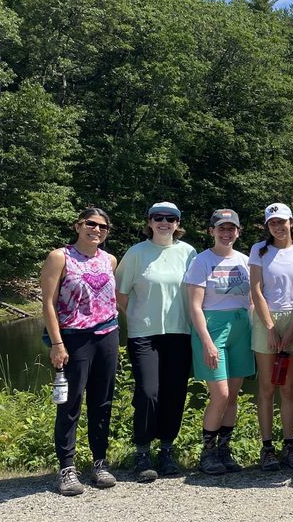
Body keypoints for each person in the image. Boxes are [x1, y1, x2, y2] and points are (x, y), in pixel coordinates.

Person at [40, 207, 120, 496]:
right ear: (78, 226)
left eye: (102, 227)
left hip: (107, 335)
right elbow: (48, 303)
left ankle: (100, 463)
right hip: (74, 338)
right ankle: (67, 468)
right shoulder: (59, 257)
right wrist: (57, 343)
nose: (96, 230)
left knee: (102, 402)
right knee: (70, 403)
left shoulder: (109, 260)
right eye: (90, 223)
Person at [115, 202, 197, 482]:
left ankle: (166, 450)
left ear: (177, 223)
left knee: (175, 393)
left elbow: (196, 293)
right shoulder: (137, 253)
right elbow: (121, 293)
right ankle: (142, 452)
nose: (164, 222)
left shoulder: (188, 253)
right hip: (144, 335)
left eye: (170, 218)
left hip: (180, 332)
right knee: (148, 392)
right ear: (149, 222)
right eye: (158, 217)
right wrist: (138, 317)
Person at [185, 208, 254, 475]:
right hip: (212, 329)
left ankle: (225, 450)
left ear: (238, 232)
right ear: (211, 231)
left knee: (233, 396)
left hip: (241, 329)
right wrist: (207, 342)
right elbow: (194, 306)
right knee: (220, 395)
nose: (226, 233)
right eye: (221, 228)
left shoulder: (245, 261)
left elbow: (252, 300)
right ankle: (208, 452)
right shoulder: (201, 261)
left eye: (231, 228)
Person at [249, 203, 293, 471]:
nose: (278, 227)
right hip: (267, 319)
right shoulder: (259, 250)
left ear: (291, 223)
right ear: (268, 226)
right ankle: (267, 447)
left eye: (282, 221)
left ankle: (289, 444)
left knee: (288, 388)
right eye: (273, 223)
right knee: (267, 387)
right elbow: (256, 291)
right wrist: (270, 327)